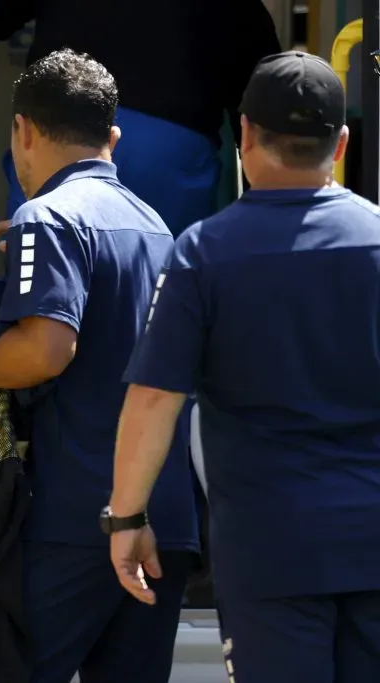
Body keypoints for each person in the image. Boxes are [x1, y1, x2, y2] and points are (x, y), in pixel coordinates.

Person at [0, 50, 199, 683]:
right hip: (164, 516)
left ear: (21, 129)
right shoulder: (156, 226)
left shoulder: (46, 217)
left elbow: (46, 350)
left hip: (75, 523)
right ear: (114, 136)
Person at [110, 52, 380, 683]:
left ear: (246, 134)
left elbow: (154, 399)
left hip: (268, 553)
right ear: (340, 143)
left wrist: (127, 518)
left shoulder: (203, 253)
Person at [0, 0, 281, 236]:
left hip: (55, 142)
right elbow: (263, 100)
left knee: (39, 307)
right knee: (159, 311)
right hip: (167, 152)